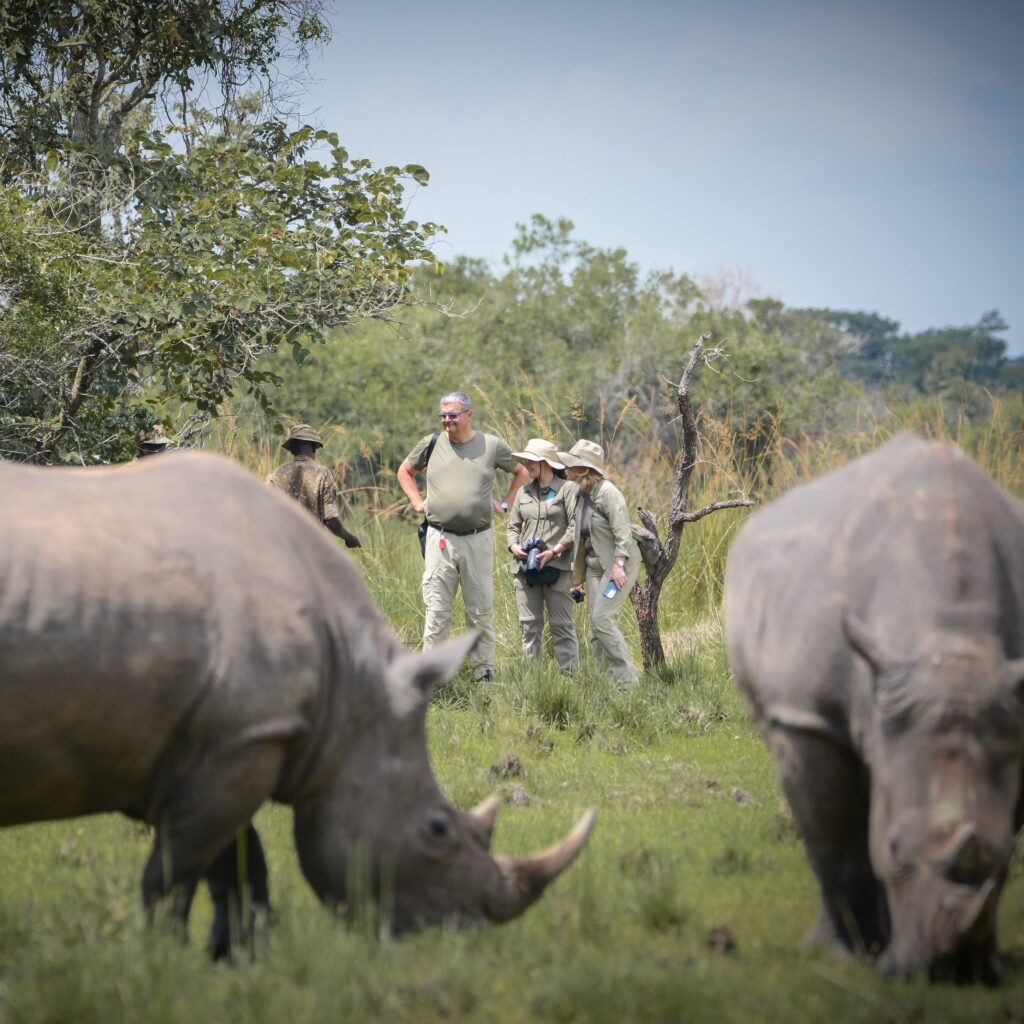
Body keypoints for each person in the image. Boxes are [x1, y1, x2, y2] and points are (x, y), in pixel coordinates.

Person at [396, 392, 529, 682]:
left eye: (453, 415)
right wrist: (417, 502)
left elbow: (521, 472)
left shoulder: (491, 446)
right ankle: (433, 676)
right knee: (437, 611)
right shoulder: (431, 444)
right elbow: (405, 471)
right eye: (443, 415)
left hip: (477, 539)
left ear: (468, 415)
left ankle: (484, 675)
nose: (447, 421)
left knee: (479, 611)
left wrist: (506, 503)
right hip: (439, 538)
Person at [559, 438, 641, 688]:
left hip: (617, 566)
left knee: (603, 619)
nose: (566, 468)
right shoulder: (579, 493)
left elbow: (622, 532)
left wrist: (618, 565)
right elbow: (579, 536)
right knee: (596, 630)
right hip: (594, 569)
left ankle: (628, 683)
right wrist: (575, 579)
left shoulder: (607, 492)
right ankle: (606, 684)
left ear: (583, 469)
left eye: (571, 464)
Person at [506, 438, 581, 673]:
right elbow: (512, 527)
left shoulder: (569, 489)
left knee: (562, 627)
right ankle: (534, 683)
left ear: (546, 463)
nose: (526, 465)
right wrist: (514, 547)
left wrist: (555, 551)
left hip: (558, 569)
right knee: (529, 627)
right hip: (525, 570)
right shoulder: (523, 492)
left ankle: (570, 680)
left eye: (531, 461)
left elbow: (575, 526)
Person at [267, 423, 361, 548]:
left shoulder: (276, 474)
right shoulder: (323, 474)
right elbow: (331, 521)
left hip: (283, 550)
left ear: (292, 449)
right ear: (313, 447)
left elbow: (263, 513)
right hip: (312, 551)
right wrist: (349, 537)